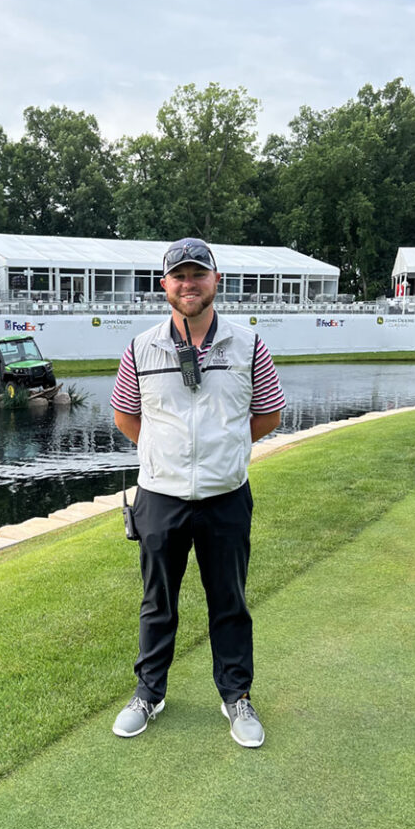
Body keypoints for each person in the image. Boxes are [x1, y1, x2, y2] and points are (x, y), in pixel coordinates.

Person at [110, 238, 286, 747]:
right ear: (164, 285)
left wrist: (222, 452)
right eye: (179, 276)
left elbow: (269, 413)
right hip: (160, 497)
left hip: (225, 495)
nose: (189, 284)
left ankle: (237, 697)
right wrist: (167, 457)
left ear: (216, 282)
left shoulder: (248, 345)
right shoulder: (142, 347)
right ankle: (149, 692)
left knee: (228, 600)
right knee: (157, 601)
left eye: (198, 275)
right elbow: (125, 415)